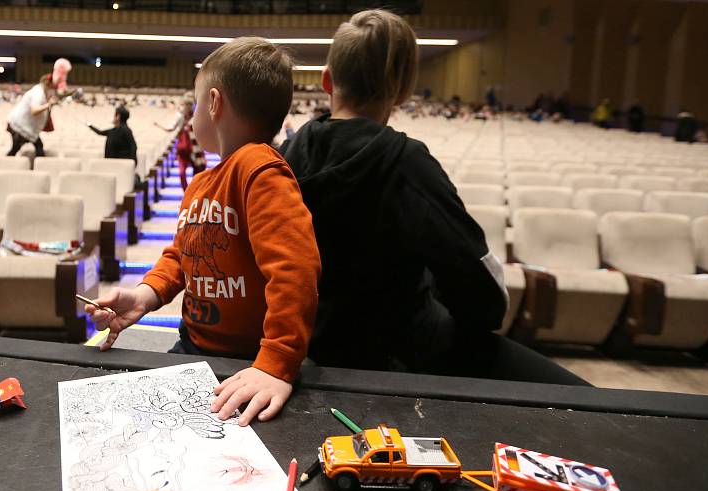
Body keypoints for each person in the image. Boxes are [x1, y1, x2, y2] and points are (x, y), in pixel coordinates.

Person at [281, 9, 587, 386]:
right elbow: (484, 298)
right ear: (404, 90)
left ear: (327, 80)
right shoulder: (408, 162)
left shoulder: (286, 155)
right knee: (587, 402)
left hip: (303, 342)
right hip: (402, 352)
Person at [85, 37, 322, 425]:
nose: (193, 116)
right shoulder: (199, 185)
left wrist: (276, 362)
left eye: (195, 105)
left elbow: (296, 270)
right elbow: (181, 255)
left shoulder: (260, 170)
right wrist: (144, 296)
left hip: (251, 362)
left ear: (213, 104)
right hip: (193, 346)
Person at [155, 99, 206, 190]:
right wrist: (159, 125)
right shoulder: (180, 117)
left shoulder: (196, 118)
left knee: (198, 174)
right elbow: (171, 128)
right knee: (181, 173)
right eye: (184, 105)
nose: (185, 108)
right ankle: (186, 192)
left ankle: (195, 193)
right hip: (182, 150)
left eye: (187, 106)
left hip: (193, 150)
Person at [6, 74, 59, 157]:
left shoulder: (41, 91)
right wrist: (49, 104)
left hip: (25, 126)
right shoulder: (38, 93)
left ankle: (37, 164)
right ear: (48, 83)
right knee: (36, 146)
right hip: (20, 126)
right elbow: (34, 110)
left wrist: (50, 104)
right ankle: (39, 166)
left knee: (17, 148)